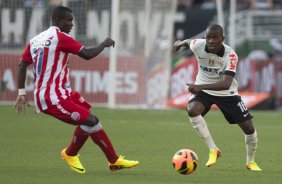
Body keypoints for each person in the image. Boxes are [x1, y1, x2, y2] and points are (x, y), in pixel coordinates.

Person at [13, 6, 139, 174]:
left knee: (92, 119)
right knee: (89, 121)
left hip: (61, 94)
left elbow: (22, 65)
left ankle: (114, 161)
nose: (71, 24)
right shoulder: (60, 37)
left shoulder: (35, 40)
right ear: (57, 20)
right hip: (53, 98)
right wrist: (104, 44)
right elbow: (87, 54)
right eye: (68, 20)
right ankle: (70, 153)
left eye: (72, 20)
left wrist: (21, 93)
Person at [173, 24, 261, 171]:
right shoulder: (198, 45)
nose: (211, 41)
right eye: (208, 37)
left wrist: (200, 87)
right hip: (204, 89)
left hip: (227, 93)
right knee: (192, 110)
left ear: (222, 39)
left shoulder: (230, 55)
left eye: (215, 37)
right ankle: (213, 149)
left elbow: (226, 84)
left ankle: (250, 162)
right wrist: (179, 44)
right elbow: (188, 41)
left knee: (249, 129)